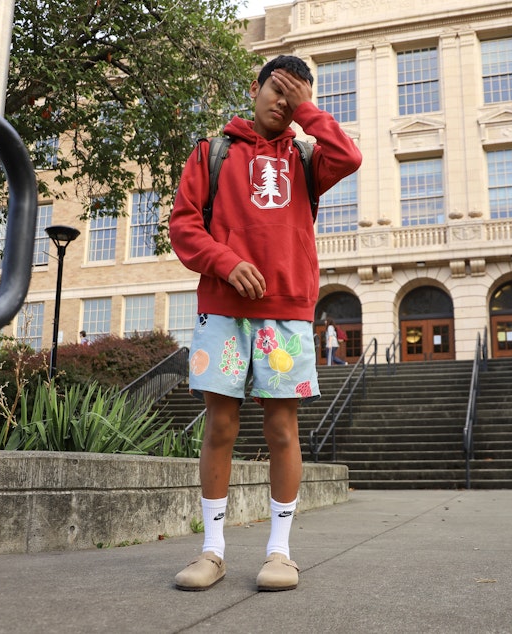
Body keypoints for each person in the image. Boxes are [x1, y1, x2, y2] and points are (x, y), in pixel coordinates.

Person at [168, 55, 362, 592]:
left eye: (293, 94)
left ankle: (280, 553)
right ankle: (212, 551)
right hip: (223, 310)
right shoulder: (214, 151)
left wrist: (309, 112)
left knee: (282, 430)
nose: (282, 102)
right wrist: (225, 262)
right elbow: (183, 226)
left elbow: (350, 155)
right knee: (221, 427)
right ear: (254, 89)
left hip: (287, 313)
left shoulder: (307, 157)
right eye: (276, 89)